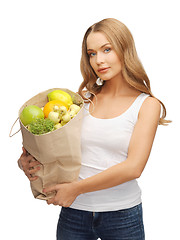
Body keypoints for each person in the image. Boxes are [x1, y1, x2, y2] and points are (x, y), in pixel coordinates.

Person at [18, 18, 171, 240]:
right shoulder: (82, 101)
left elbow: (134, 167)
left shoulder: (146, 105)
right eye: (92, 53)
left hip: (123, 216)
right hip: (74, 214)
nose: (99, 60)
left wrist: (76, 189)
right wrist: (26, 163)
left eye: (106, 49)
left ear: (124, 49)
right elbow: (57, 150)